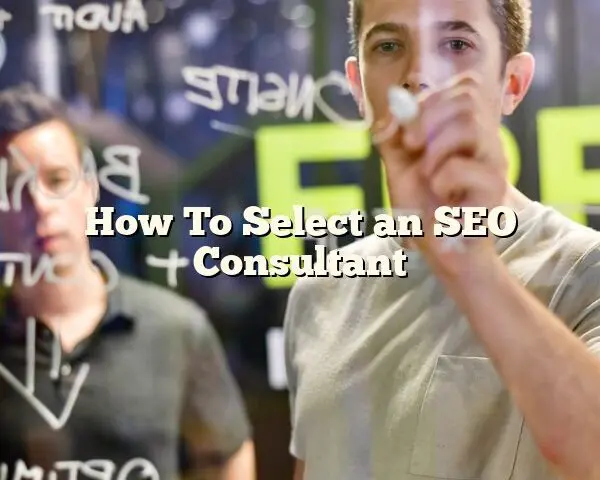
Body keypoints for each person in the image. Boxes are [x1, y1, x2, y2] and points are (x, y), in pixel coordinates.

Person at [284, 0, 600, 479]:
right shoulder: (320, 289)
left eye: (456, 44)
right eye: (388, 46)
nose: (417, 75)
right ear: (358, 86)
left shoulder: (586, 274)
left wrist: (470, 264)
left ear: (512, 83)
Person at [0, 84, 256, 480]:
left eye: (57, 180)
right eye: (14, 187)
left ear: (89, 189)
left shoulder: (174, 329)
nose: (40, 205)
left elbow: (225, 457)